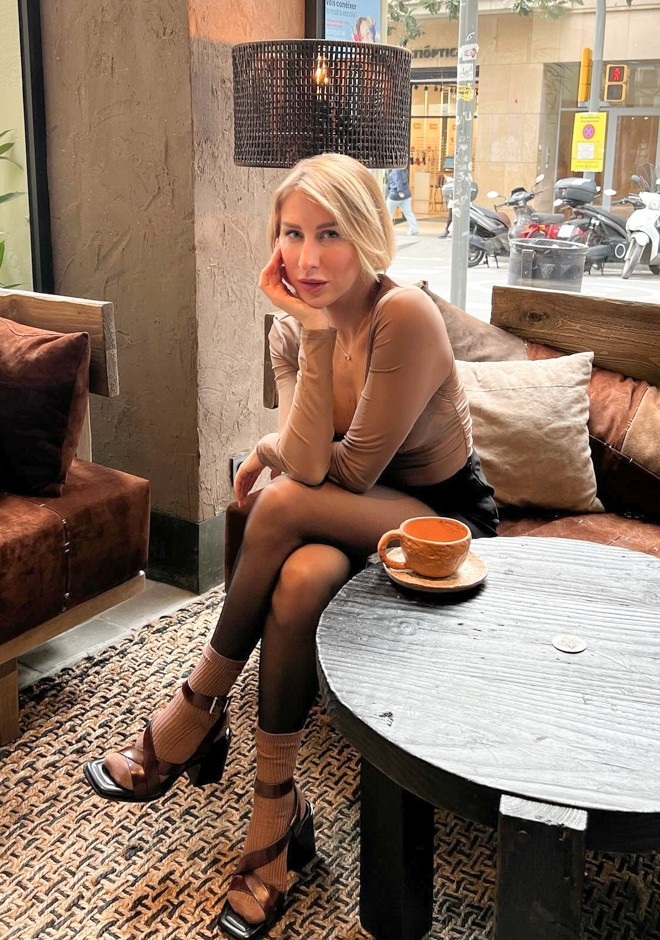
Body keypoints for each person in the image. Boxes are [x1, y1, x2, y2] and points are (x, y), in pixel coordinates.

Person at [83, 153, 498, 939]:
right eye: (292, 233)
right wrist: (307, 338)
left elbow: (345, 469)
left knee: (274, 502)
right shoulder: (291, 326)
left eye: (330, 233)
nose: (307, 258)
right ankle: (277, 808)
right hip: (341, 511)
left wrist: (272, 448)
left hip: (437, 525)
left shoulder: (404, 313)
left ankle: (196, 707)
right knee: (302, 576)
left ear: (367, 232)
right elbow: (316, 467)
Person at [386, 166, 420, 236]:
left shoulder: (396, 170)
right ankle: (414, 229)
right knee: (408, 213)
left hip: (395, 195)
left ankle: (387, 230)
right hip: (406, 195)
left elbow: (398, 181)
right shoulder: (404, 170)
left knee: (387, 213)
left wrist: (400, 191)